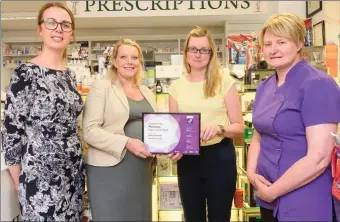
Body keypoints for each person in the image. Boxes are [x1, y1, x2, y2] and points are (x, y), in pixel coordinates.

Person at [246, 13, 340, 221]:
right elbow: (258, 136)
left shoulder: (318, 85)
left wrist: (273, 191)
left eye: (281, 42)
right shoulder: (265, 87)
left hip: (305, 197)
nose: (273, 49)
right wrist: (252, 176)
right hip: (267, 195)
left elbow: (319, 158)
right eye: (268, 43)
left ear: (299, 43)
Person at [1, 2, 85, 221]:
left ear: (72, 33)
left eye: (65, 24)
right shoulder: (26, 73)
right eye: (51, 22)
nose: (58, 28)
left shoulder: (70, 76)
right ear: (40, 29)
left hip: (72, 176)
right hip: (40, 179)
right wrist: (22, 181)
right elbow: (11, 131)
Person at [168, 27, 244, 221]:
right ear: (185, 52)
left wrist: (220, 128)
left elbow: (238, 126)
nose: (198, 54)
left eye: (204, 50)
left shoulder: (225, 82)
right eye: (193, 49)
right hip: (188, 161)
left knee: (220, 216)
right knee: (193, 216)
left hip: (219, 158)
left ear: (211, 53)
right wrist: (173, 147)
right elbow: (175, 131)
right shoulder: (176, 88)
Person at [82, 39, 157, 221]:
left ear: (140, 62)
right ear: (115, 61)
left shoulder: (147, 91)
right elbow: (89, 131)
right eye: (123, 57)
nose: (129, 62)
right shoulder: (102, 87)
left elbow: (156, 126)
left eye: (134, 57)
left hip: (141, 168)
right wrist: (127, 142)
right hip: (110, 169)